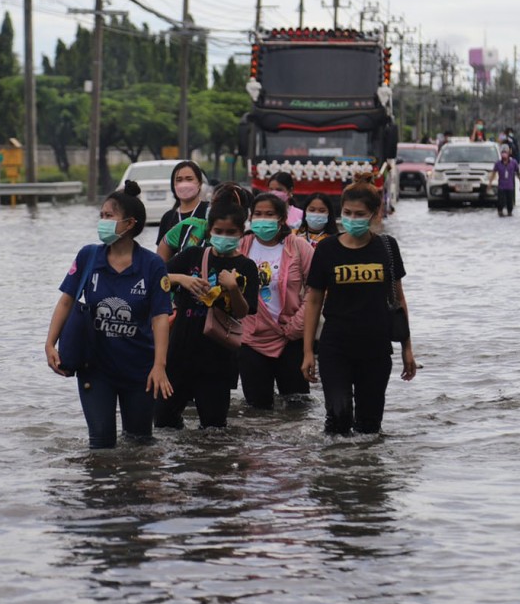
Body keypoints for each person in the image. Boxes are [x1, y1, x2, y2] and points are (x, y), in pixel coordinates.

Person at [46, 180, 173, 448]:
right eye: (101, 215)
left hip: (140, 368)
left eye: (109, 216)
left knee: (140, 444)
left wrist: (159, 365)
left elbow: (161, 317)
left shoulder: (152, 265)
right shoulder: (89, 257)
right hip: (96, 367)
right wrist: (49, 343)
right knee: (101, 445)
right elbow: (67, 301)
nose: (102, 222)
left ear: (130, 224)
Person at [301, 173, 416, 436]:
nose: (352, 219)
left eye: (359, 214)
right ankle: (335, 473)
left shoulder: (387, 247)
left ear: (375, 214)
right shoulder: (328, 249)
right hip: (335, 347)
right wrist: (308, 351)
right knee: (338, 417)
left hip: (376, 348)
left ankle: (365, 474)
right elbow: (314, 301)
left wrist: (407, 348)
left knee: (369, 427)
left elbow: (398, 298)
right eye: (347, 213)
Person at [157, 189, 259, 430]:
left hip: (218, 360)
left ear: (241, 233)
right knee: (163, 423)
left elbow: (244, 312)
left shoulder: (246, 266)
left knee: (213, 429)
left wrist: (233, 289)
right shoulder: (192, 255)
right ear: (210, 231)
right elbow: (155, 279)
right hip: (179, 354)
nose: (224, 236)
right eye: (219, 231)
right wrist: (181, 279)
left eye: (231, 232)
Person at [238, 192, 314, 410]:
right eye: (258, 214)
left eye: (269, 214)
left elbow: (316, 290)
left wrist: (297, 325)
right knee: (257, 410)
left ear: (282, 218)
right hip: (251, 339)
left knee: (298, 407)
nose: (263, 219)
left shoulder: (299, 247)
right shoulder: (241, 246)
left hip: (291, 336)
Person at [158, 181, 251, 262]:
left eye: (231, 232)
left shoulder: (248, 242)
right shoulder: (190, 227)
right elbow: (166, 243)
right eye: (212, 203)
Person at [155, 161, 208, 247]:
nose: (184, 184)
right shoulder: (168, 217)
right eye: (179, 180)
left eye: (189, 179)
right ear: (173, 185)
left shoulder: (209, 211)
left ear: (200, 183)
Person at [491, 147, 519, 217]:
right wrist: (490, 183)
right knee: (500, 201)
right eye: (502, 153)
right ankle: (500, 211)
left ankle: (510, 212)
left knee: (510, 201)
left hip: (510, 186)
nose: (504, 154)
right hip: (501, 186)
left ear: (508, 154)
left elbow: (518, 172)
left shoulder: (513, 162)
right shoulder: (498, 163)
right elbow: (493, 173)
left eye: (505, 153)